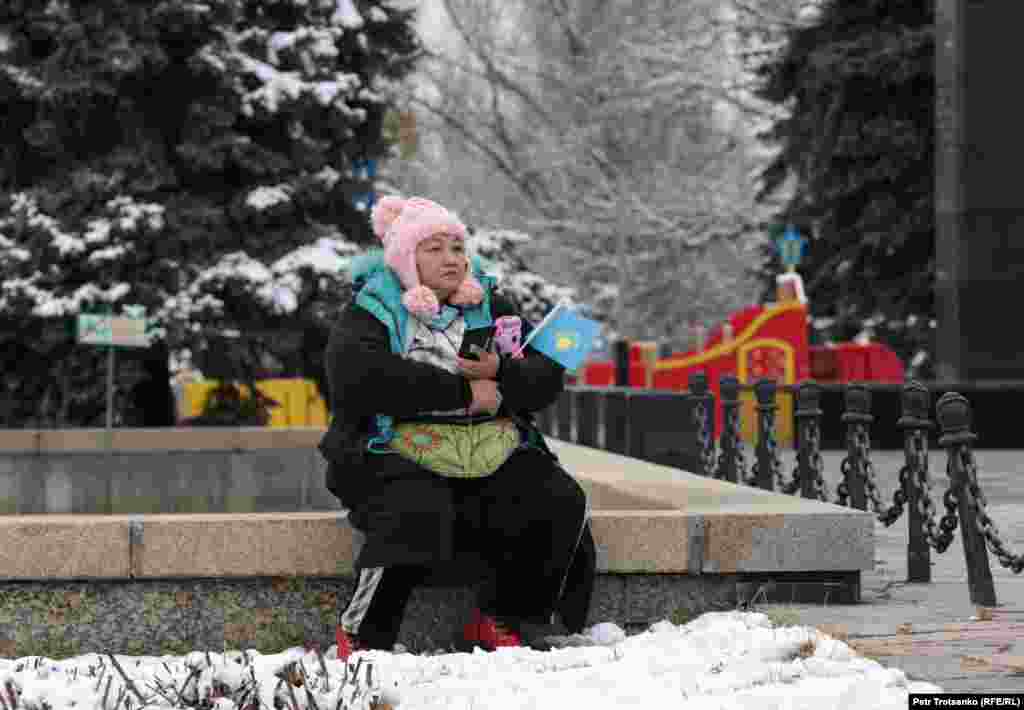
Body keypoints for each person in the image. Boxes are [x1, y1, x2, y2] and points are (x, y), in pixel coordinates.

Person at [320, 195, 595, 659]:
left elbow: (544, 380)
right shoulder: (371, 311)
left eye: (456, 247)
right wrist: (462, 393)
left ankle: (506, 620)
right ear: (406, 259)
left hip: (488, 445)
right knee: (414, 509)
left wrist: (501, 373)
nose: (451, 258)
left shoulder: (493, 304)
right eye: (434, 248)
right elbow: (359, 379)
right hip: (391, 448)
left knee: (557, 498)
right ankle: (364, 637)